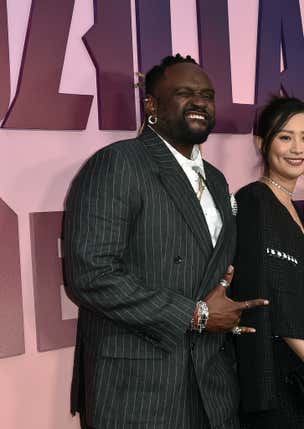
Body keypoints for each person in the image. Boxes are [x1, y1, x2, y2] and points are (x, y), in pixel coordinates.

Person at [63, 54, 267, 429]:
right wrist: (195, 315)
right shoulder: (119, 163)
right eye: (184, 93)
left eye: (207, 94)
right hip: (139, 390)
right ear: (152, 105)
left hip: (211, 387)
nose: (200, 102)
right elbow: (91, 274)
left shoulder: (219, 181)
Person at [232, 96, 304, 428]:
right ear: (262, 143)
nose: (297, 148)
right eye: (285, 136)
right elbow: (271, 296)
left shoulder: (292, 206)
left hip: (298, 374)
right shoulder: (253, 202)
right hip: (273, 380)